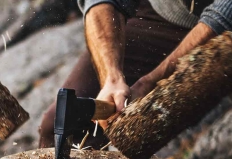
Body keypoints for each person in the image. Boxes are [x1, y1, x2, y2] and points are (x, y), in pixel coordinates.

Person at [39, 0, 232, 149]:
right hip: (162, 16)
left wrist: (152, 82)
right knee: (58, 125)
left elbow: (224, 17)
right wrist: (111, 78)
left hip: (224, 33)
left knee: (136, 139)